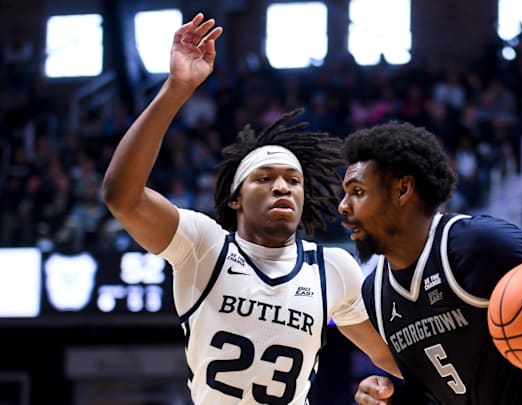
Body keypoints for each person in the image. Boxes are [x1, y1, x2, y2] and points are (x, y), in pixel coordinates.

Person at [102, 13, 399, 404]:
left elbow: (392, 359)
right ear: (235, 199)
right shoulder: (204, 246)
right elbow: (122, 195)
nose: (282, 187)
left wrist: (387, 387)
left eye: (294, 181)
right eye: (265, 178)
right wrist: (177, 87)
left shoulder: (333, 268)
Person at [338, 121, 522, 404]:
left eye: (358, 192)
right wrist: (394, 397)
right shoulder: (375, 295)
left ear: (402, 190)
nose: (343, 207)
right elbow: (441, 393)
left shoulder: (476, 243)